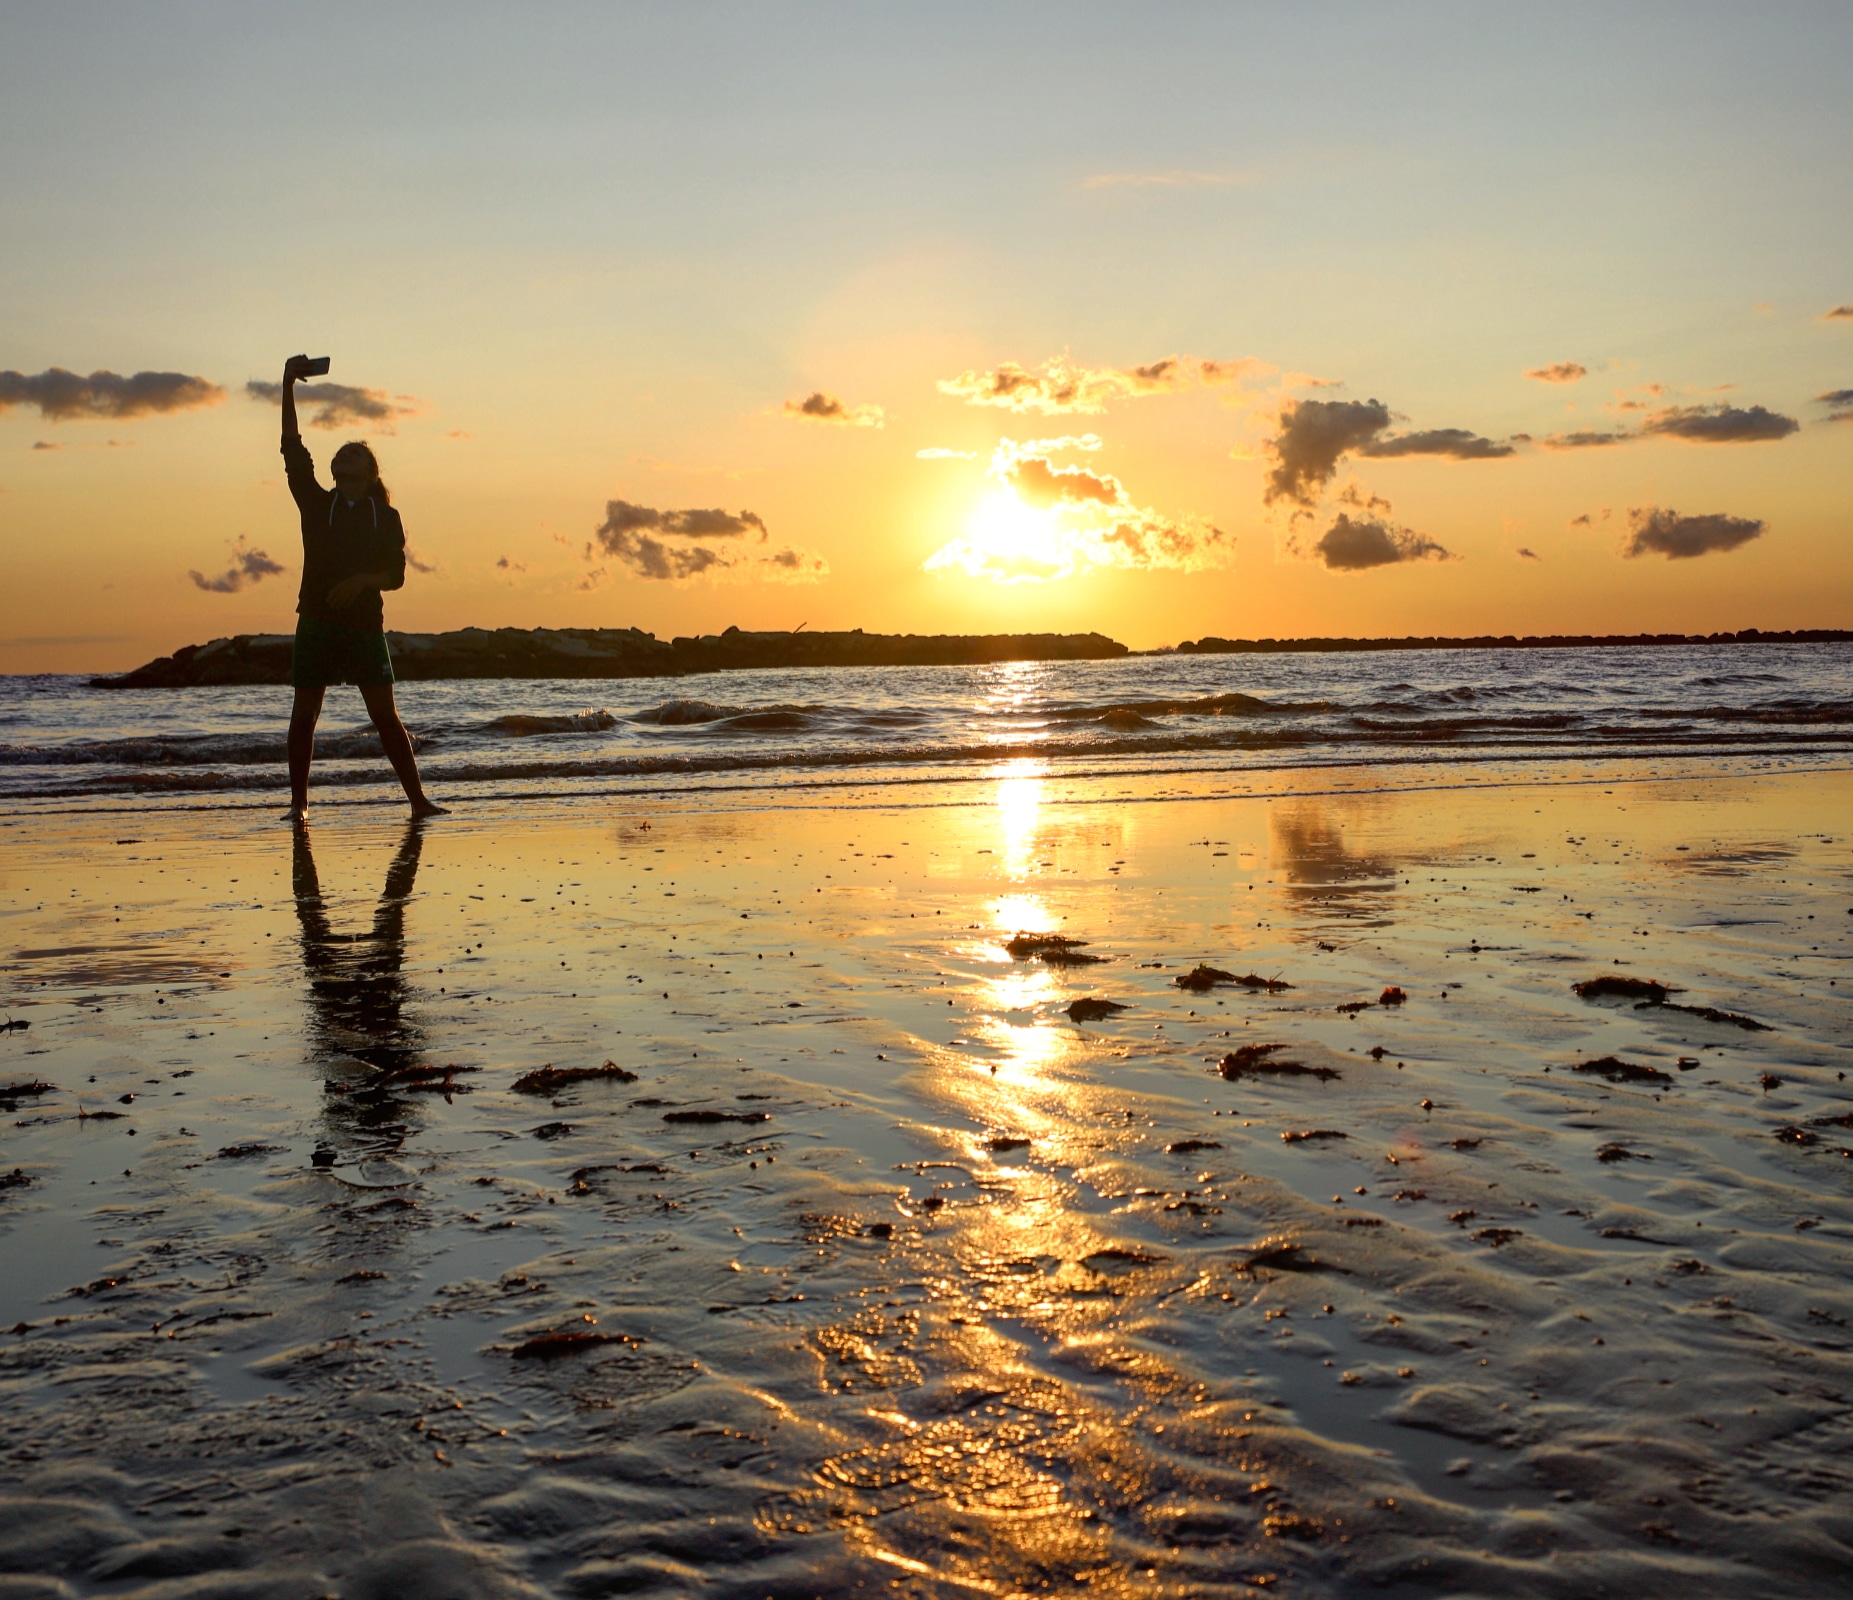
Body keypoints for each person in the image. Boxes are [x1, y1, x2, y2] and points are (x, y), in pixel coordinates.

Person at [278, 353, 445, 820]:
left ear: (372, 474)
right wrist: (287, 384)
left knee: (385, 717)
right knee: (304, 715)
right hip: (315, 621)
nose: (345, 455)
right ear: (333, 469)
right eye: (343, 453)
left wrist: (360, 581)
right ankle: (299, 805)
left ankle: (419, 803)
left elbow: (396, 575)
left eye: (357, 453)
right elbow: (291, 447)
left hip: (365, 627)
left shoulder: (385, 517)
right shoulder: (315, 503)